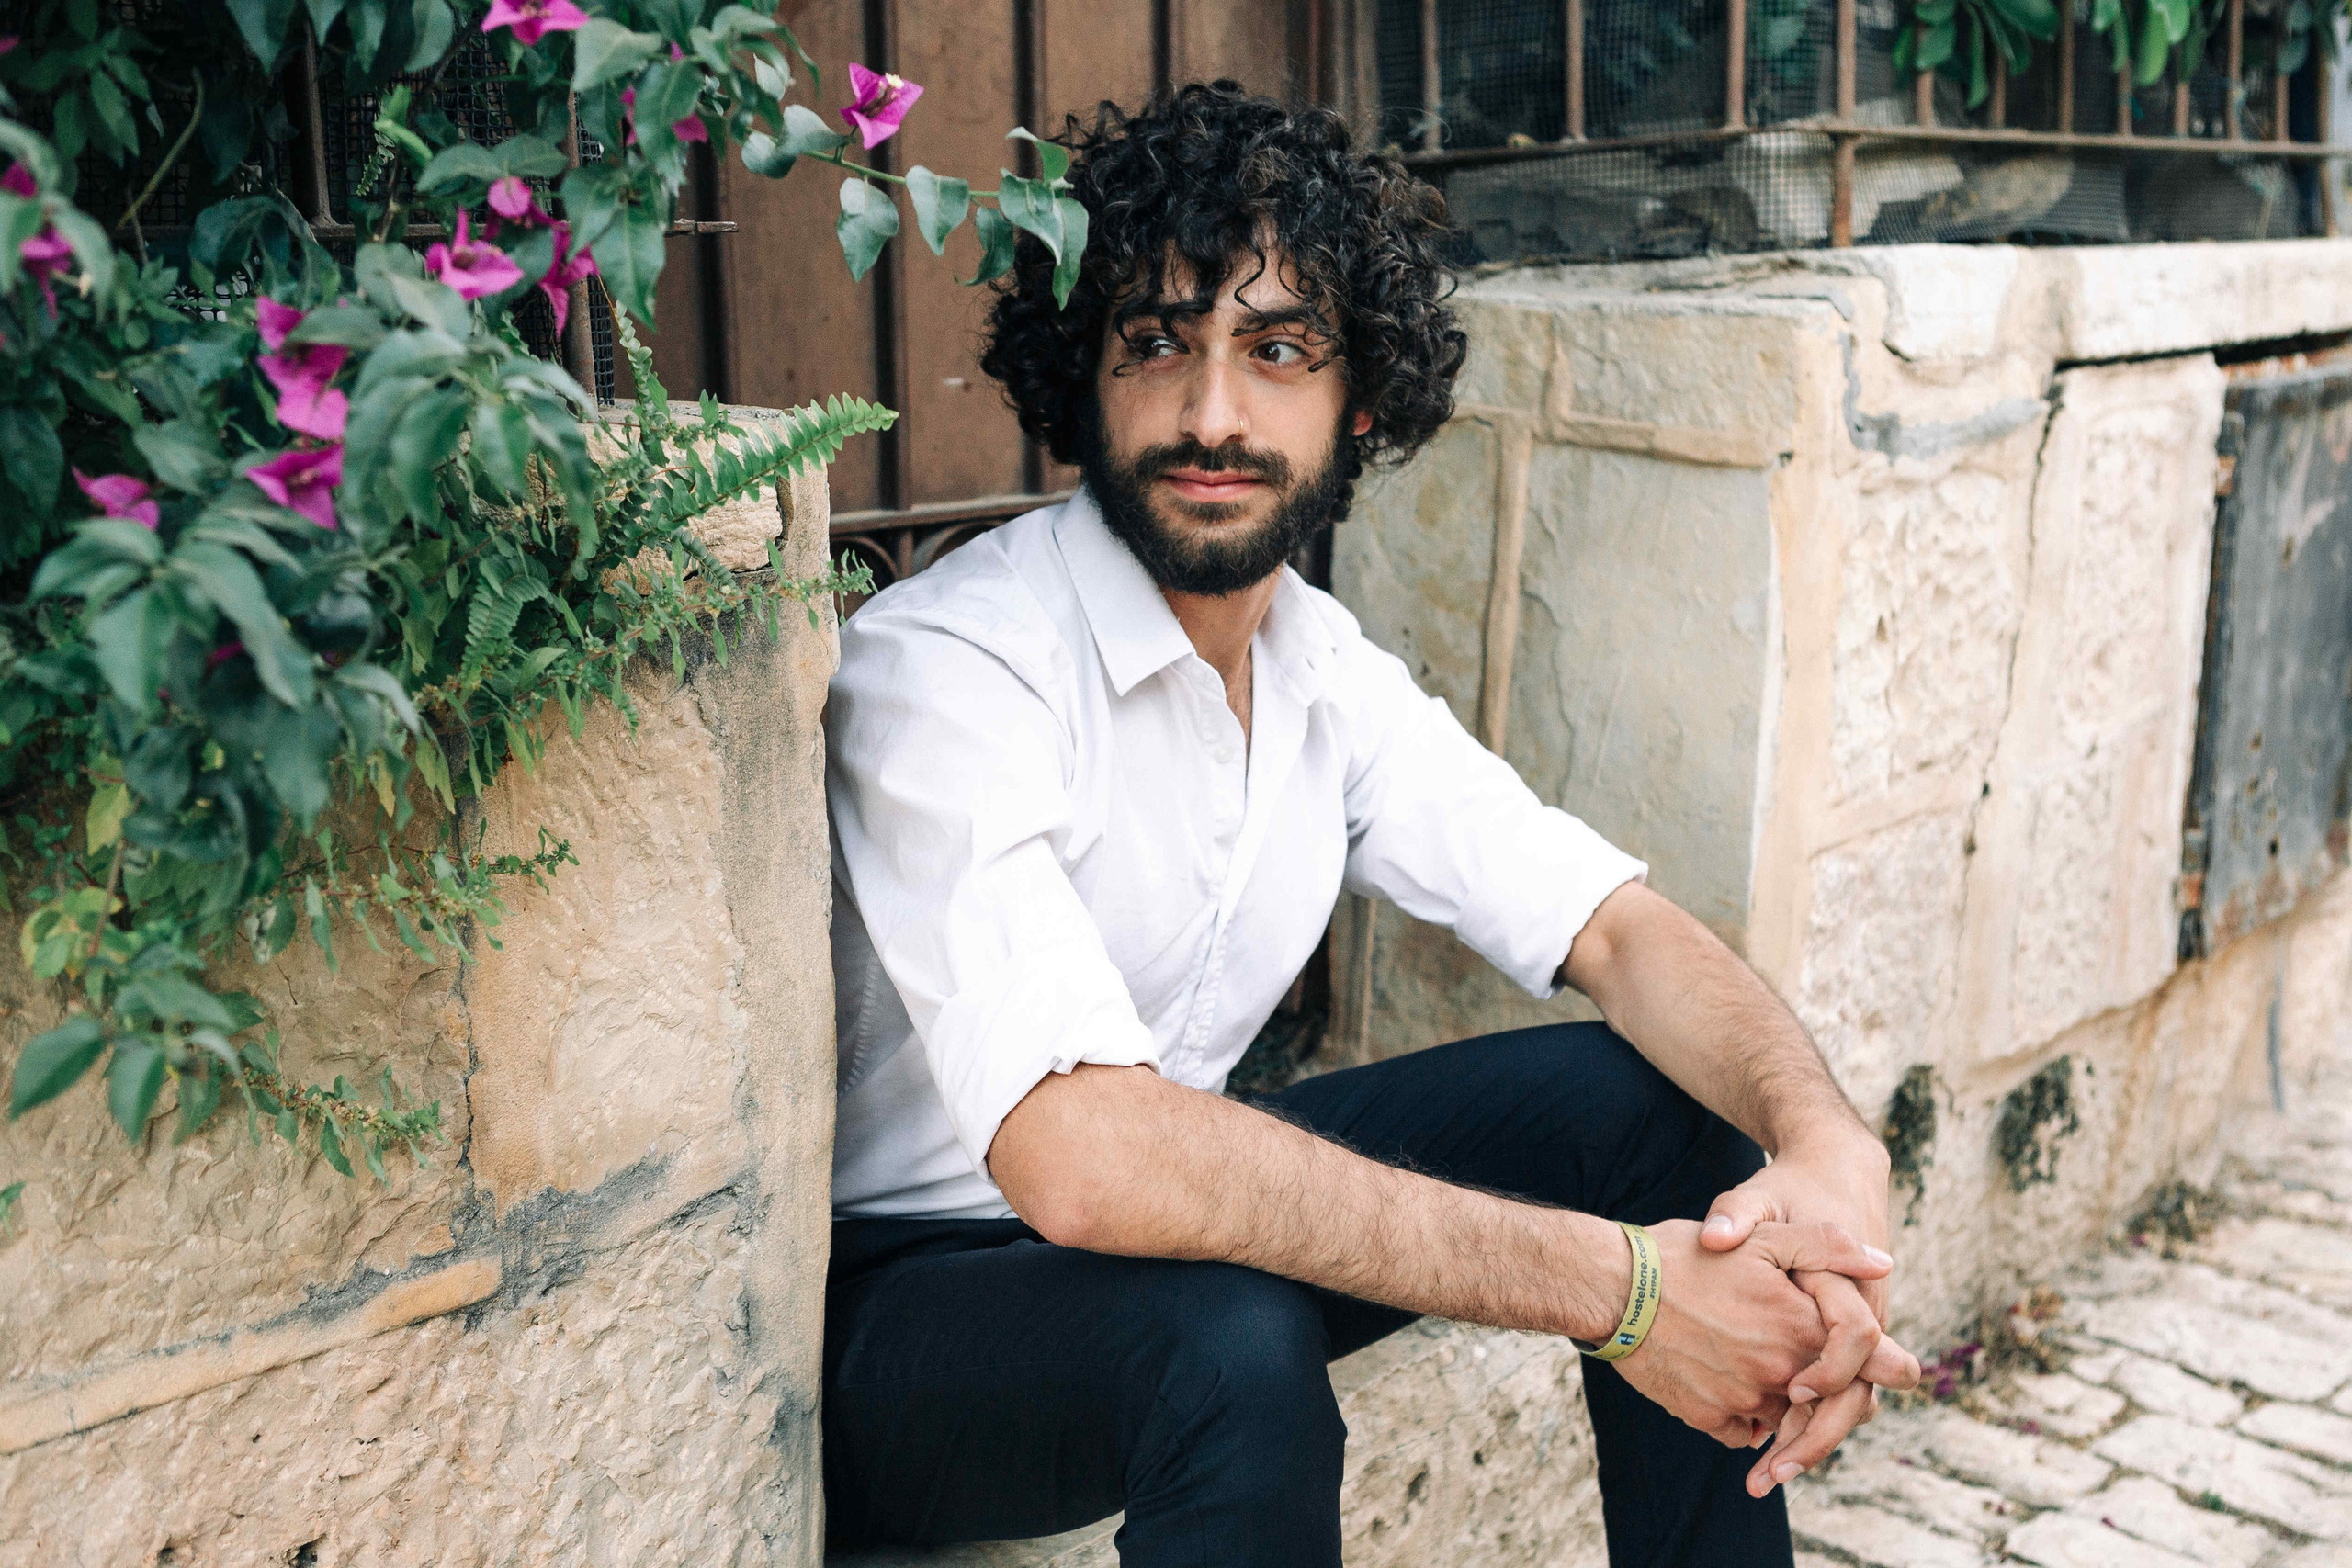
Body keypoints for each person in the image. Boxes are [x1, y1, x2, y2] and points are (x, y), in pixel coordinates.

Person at [820, 82, 1920, 1568]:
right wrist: (1626, 1294)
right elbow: (1081, 1158)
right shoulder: (954, 665)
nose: (1214, 414)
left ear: (1359, 403)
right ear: (1084, 378)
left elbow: (1614, 929)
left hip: (1160, 1233)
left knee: (1660, 1111)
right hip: (899, 1318)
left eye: (1279, 351)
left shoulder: (1318, 667)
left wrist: (1828, 1147)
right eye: (1158, 343)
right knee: (1229, 1343)